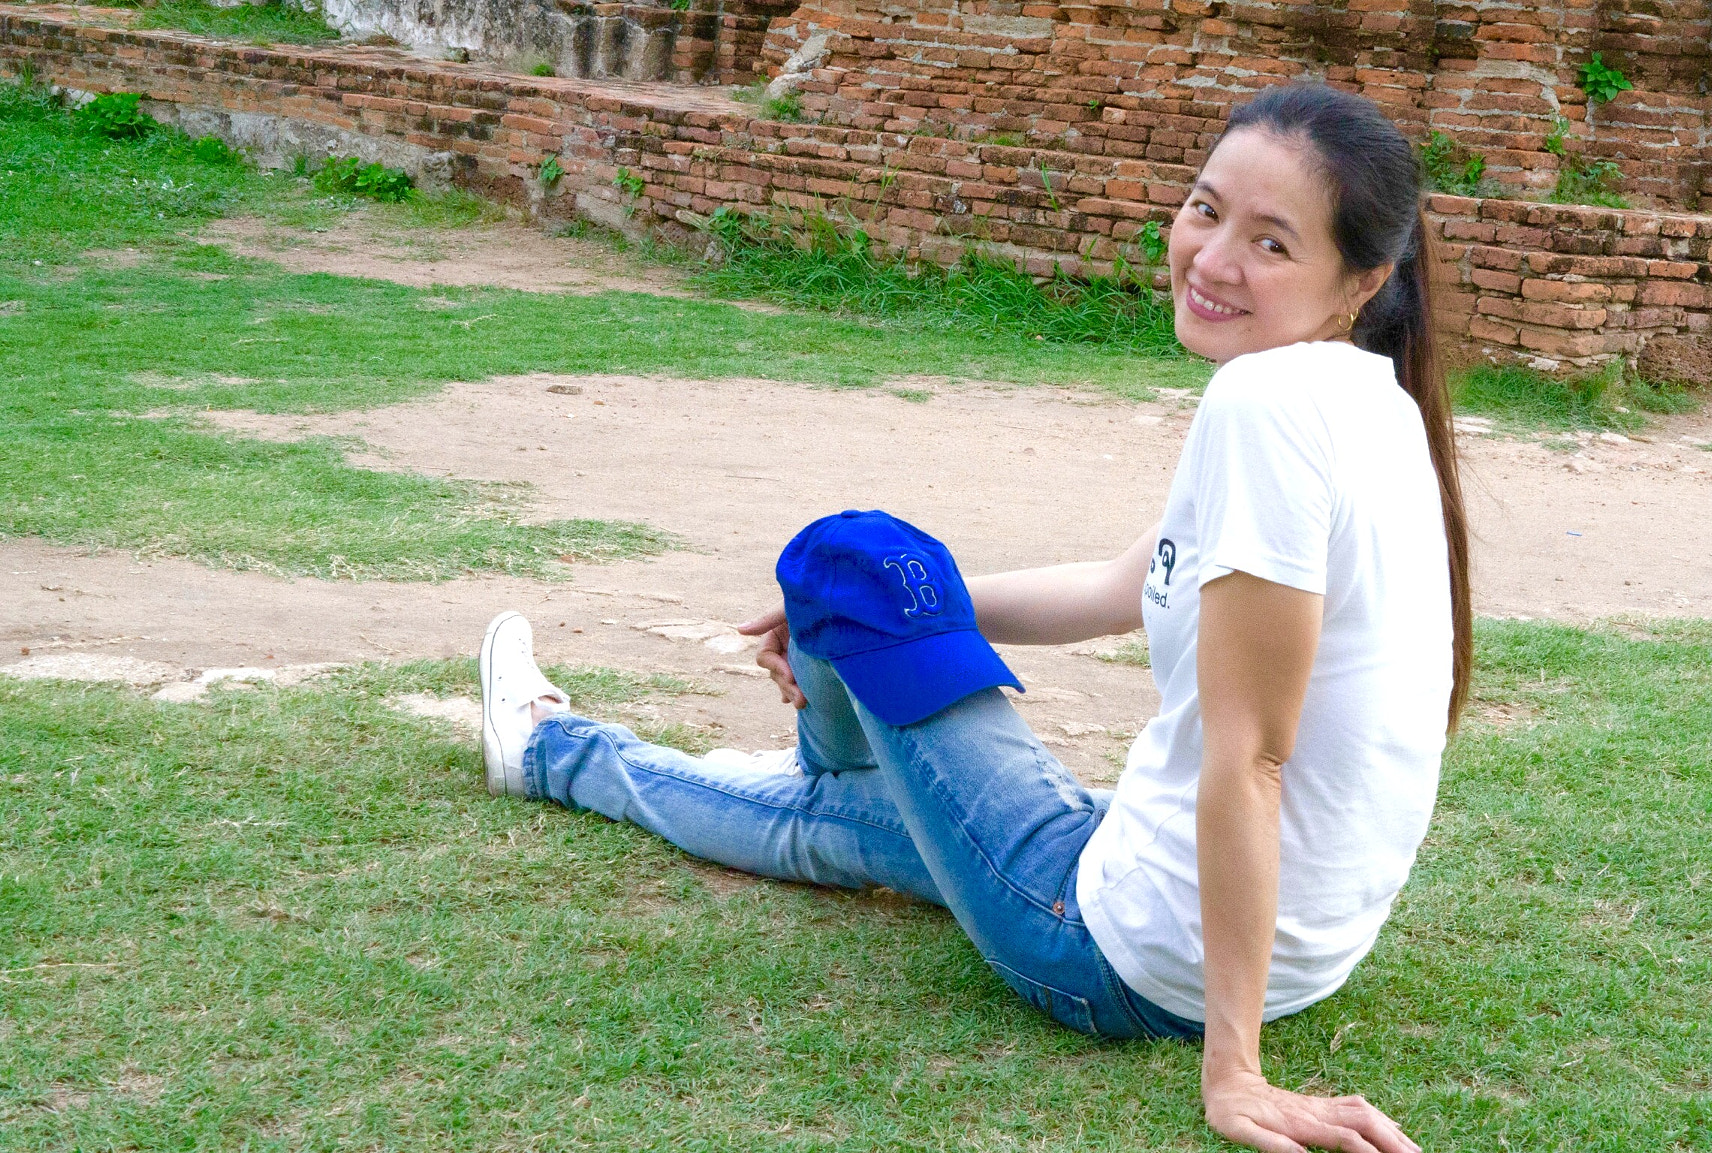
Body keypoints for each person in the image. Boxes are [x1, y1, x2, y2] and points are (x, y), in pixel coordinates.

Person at [475, 82, 1469, 1153]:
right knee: (841, 809)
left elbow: (1253, 757)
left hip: (1122, 945)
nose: (1213, 257)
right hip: (1272, 945)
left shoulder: (1263, 405)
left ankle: (792, 748)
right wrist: (883, 629)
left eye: (1271, 244)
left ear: (1358, 281)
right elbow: (1112, 588)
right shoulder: (1372, 401)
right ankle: (548, 749)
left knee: (856, 557)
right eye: (1203, 208)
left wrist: (1232, 1073)